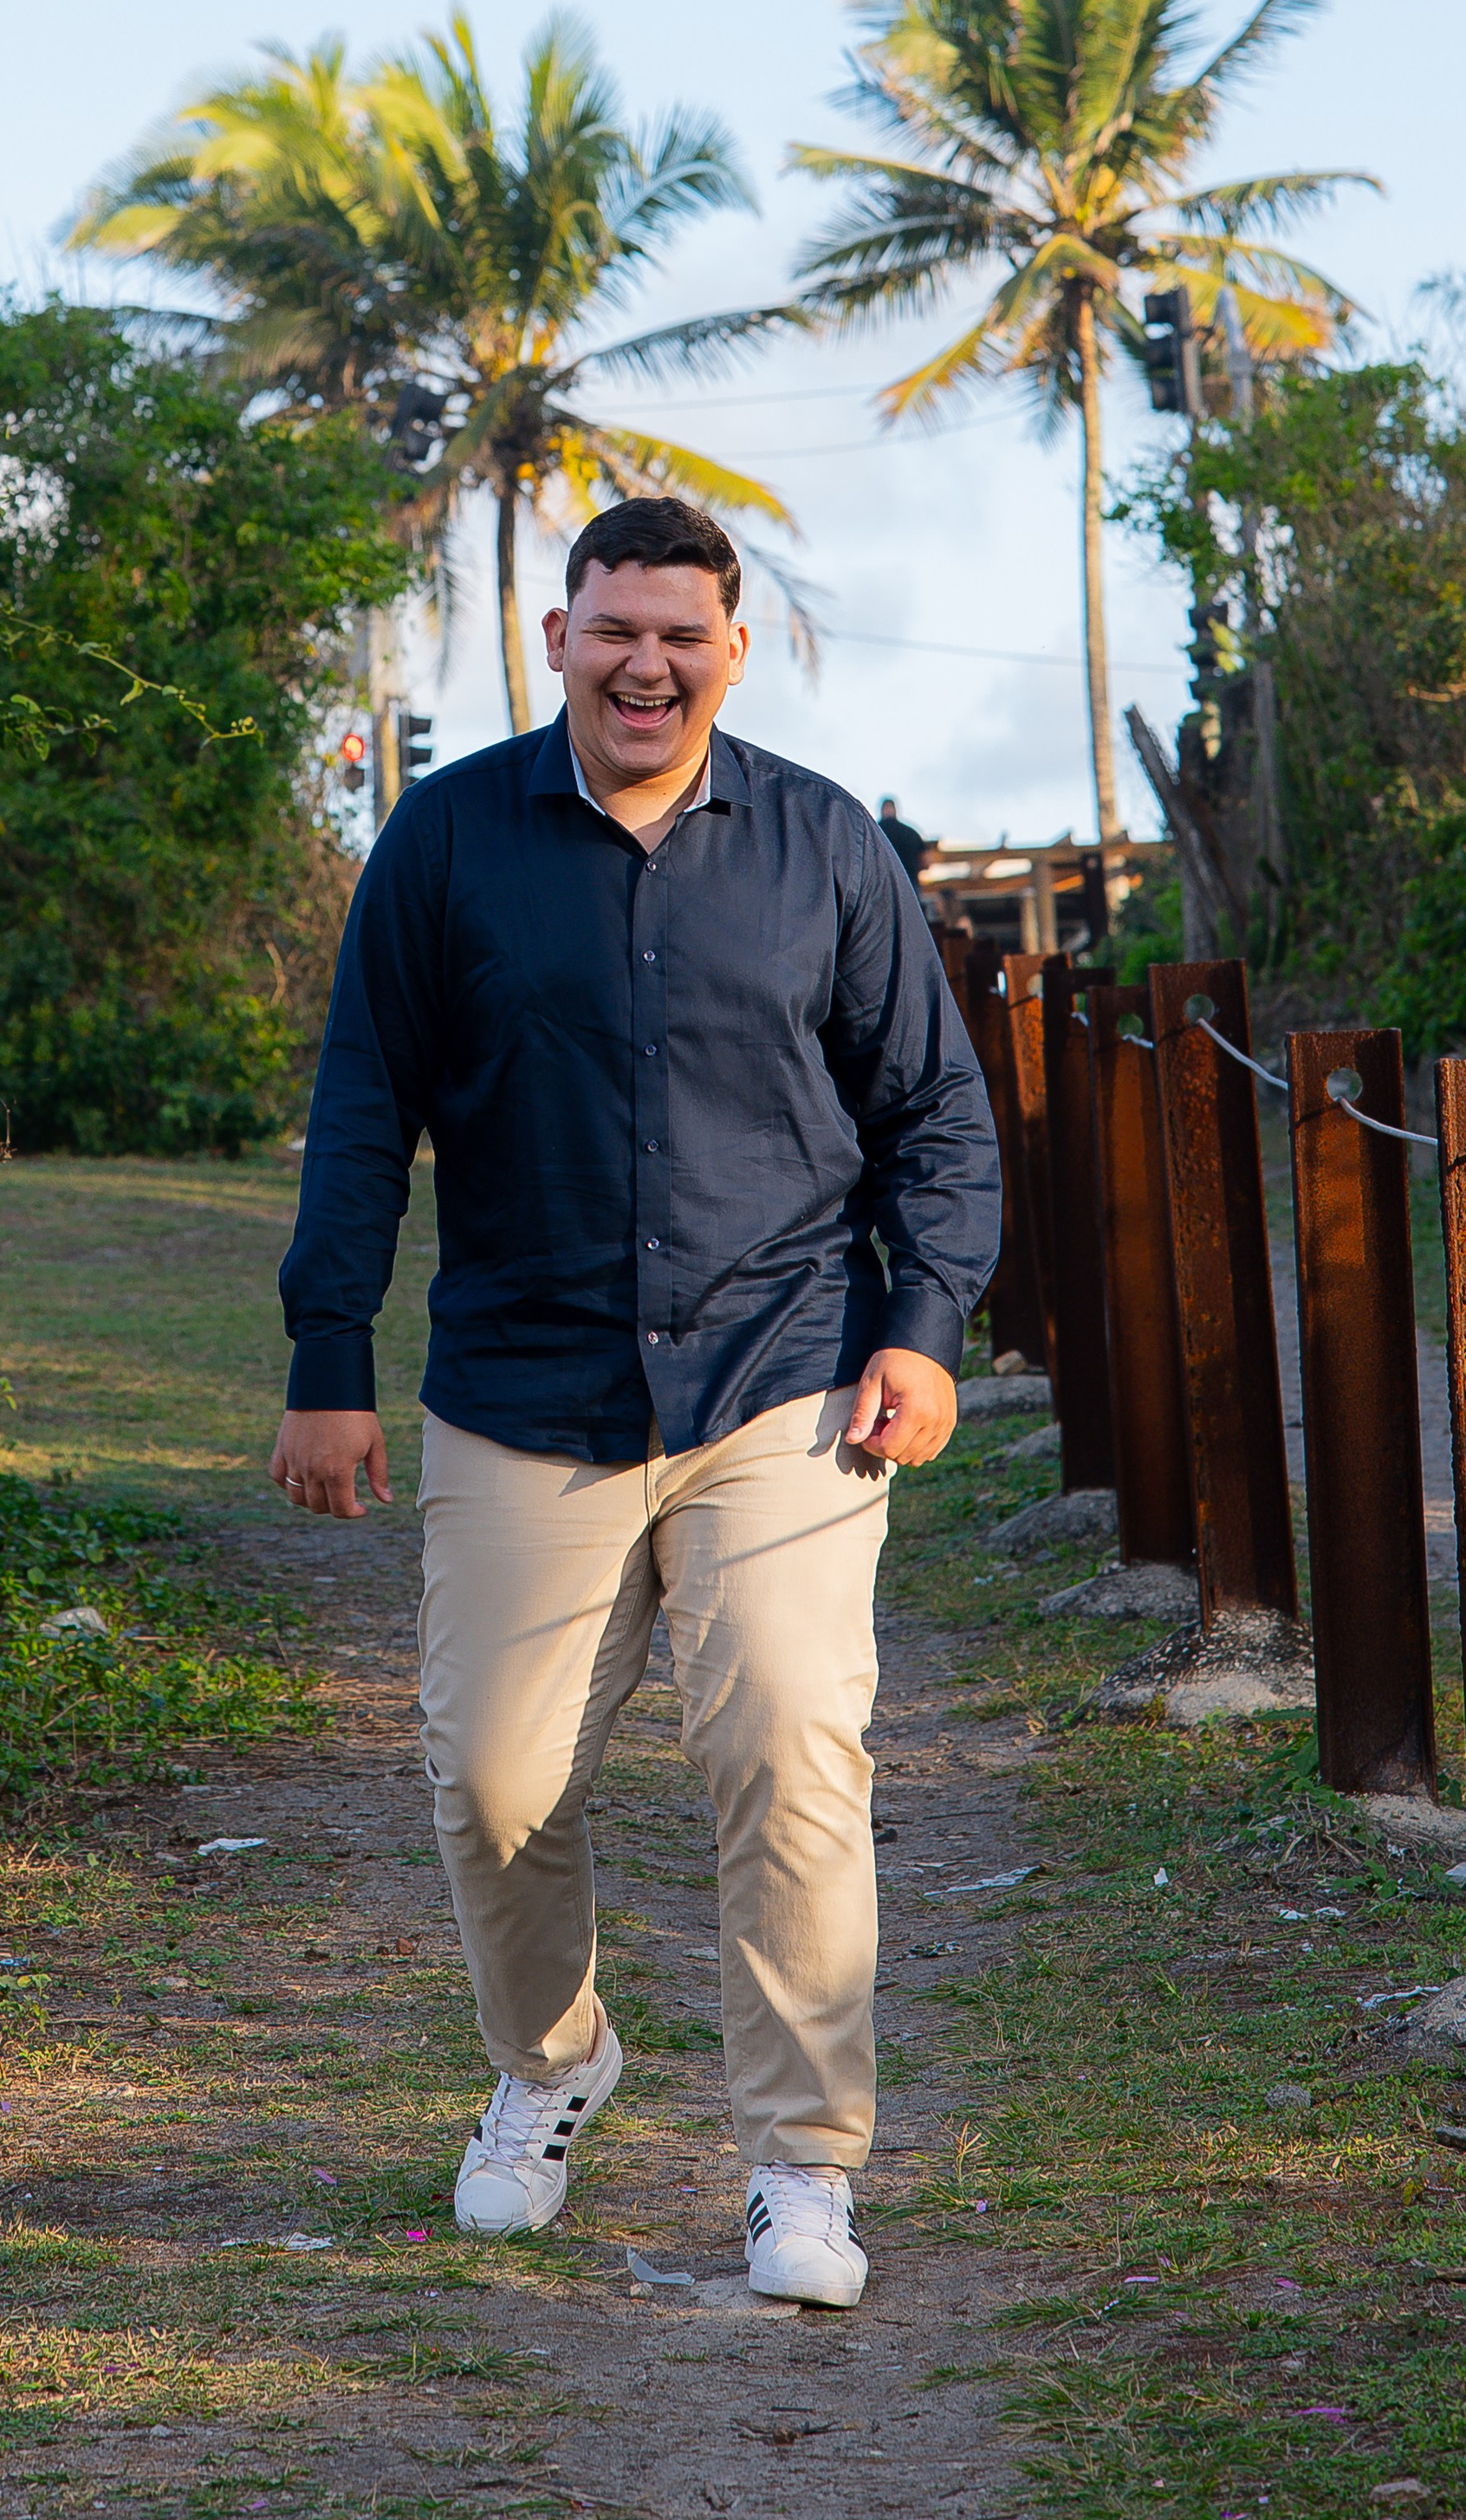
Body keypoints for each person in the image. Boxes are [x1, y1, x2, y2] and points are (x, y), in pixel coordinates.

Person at [274, 496, 998, 2309]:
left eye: (681, 635)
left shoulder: (824, 848)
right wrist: (325, 1360)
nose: (645, 665)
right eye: (614, 630)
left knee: (788, 1753)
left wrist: (920, 1327)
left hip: (783, 1383)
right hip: (522, 1388)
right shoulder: (444, 842)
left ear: (732, 650)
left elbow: (934, 1114)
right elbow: (363, 1110)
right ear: (557, 640)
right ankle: (552, 2063)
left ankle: (802, 2165)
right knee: (492, 1778)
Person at [876, 796, 928, 888]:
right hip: (909, 882)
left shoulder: (873, 833)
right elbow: (926, 861)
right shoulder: (911, 833)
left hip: (882, 884)